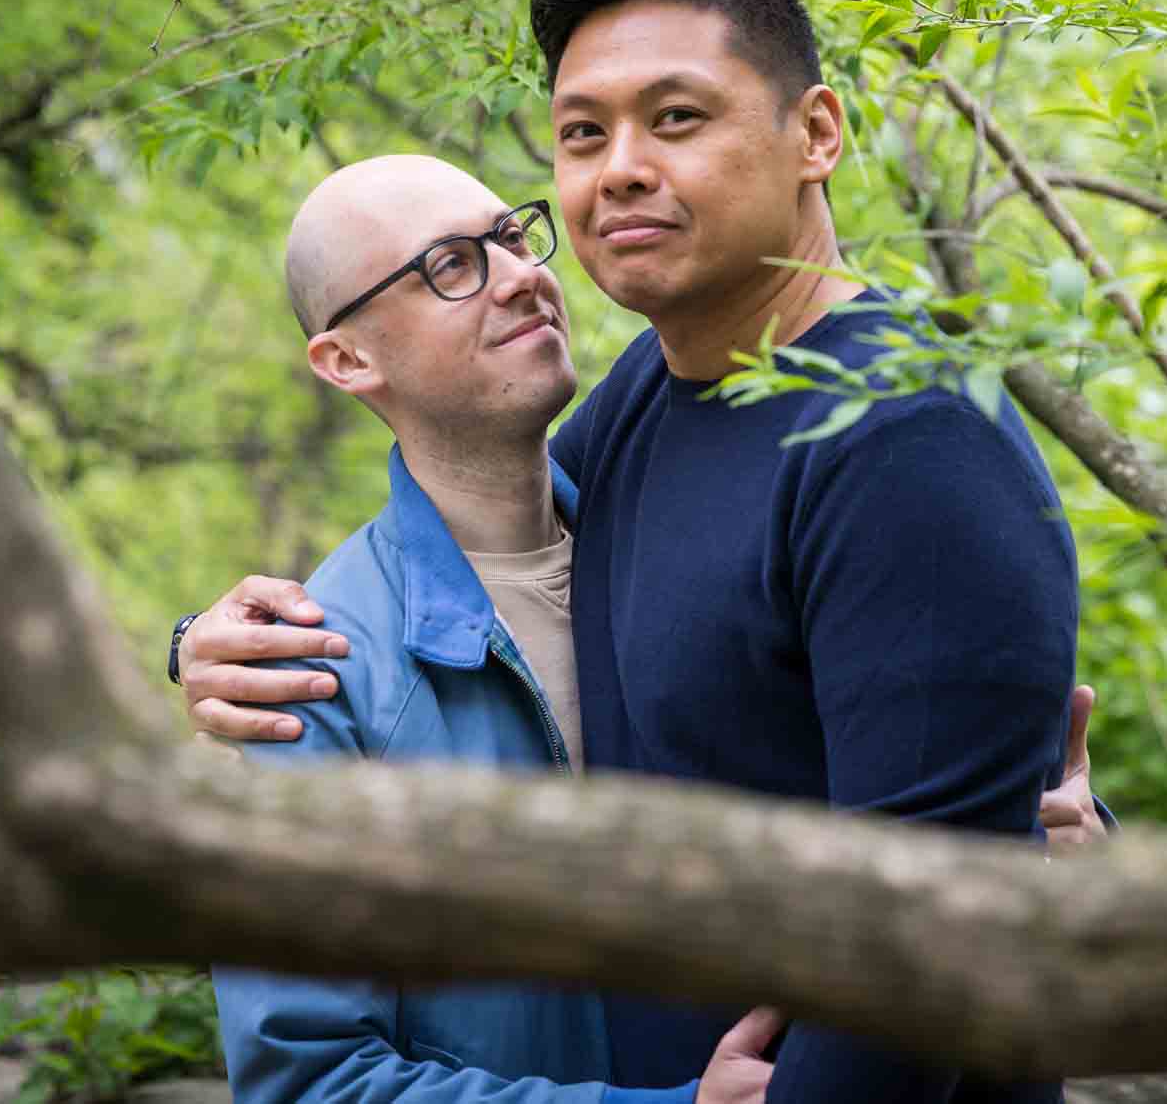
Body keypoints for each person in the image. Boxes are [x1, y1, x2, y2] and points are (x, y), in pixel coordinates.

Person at [183, 0, 1102, 1103]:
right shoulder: (635, 413)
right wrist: (209, 646)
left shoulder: (900, 437)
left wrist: (1057, 836)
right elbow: (464, 558)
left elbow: (928, 922)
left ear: (814, 133)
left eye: (676, 118)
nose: (617, 169)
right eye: (582, 133)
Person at [210, 154, 784, 1104]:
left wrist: (1034, 832)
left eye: (511, 236)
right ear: (347, 359)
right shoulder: (317, 675)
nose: (521, 275)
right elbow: (309, 1083)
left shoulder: (681, 537)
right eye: (449, 264)